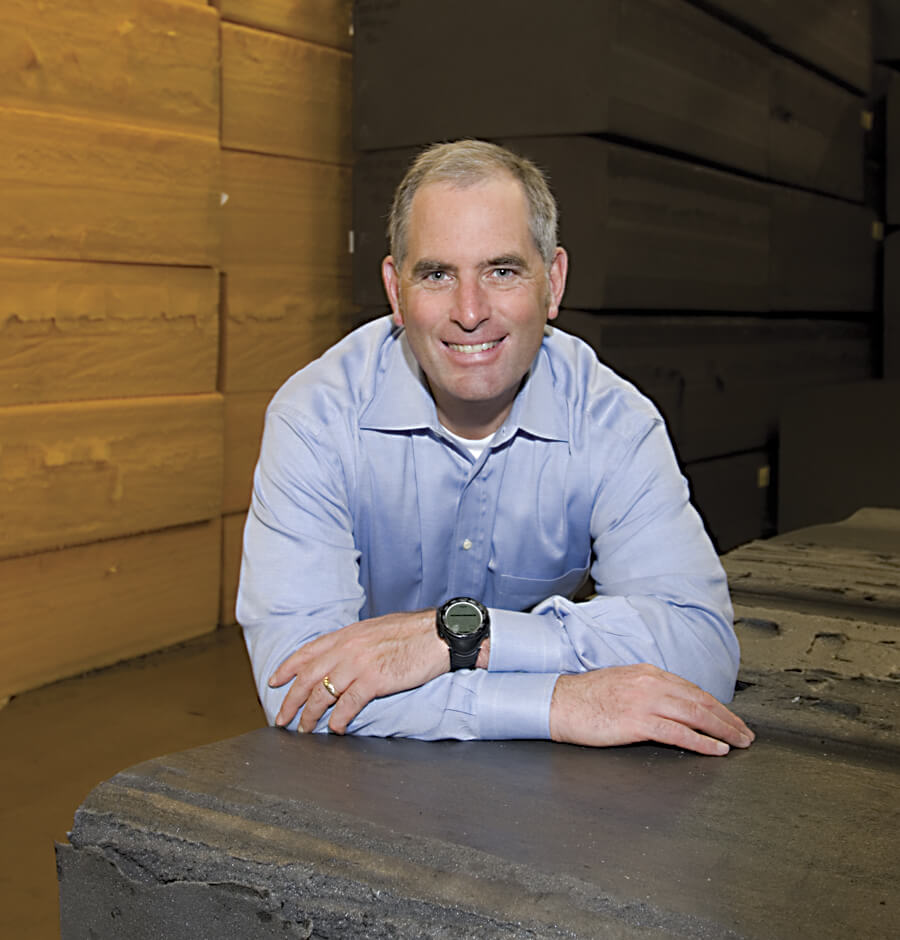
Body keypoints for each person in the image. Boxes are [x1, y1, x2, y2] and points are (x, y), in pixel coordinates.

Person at [237, 140, 754, 756]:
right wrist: (560, 701)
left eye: (502, 271)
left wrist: (463, 639)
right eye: (436, 274)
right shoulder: (316, 421)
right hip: (365, 778)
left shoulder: (615, 422)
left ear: (553, 283)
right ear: (396, 294)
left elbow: (703, 649)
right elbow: (299, 687)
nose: (470, 312)